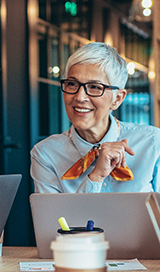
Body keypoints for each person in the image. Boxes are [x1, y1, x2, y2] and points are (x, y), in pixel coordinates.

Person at [31, 42, 160, 193]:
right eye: (72, 84)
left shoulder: (152, 142)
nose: (79, 97)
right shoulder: (46, 154)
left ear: (117, 99)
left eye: (95, 87)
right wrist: (96, 177)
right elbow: (53, 217)